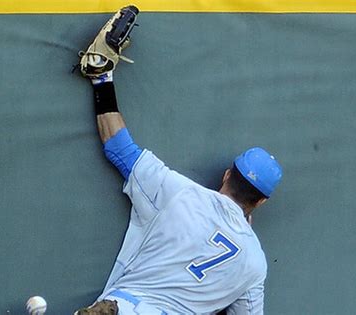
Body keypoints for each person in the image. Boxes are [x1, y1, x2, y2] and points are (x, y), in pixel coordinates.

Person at [74, 6, 283, 315]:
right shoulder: (255, 264)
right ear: (262, 202)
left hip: (129, 306)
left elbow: (120, 149)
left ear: (227, 175)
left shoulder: (179, 193)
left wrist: (102, 78)